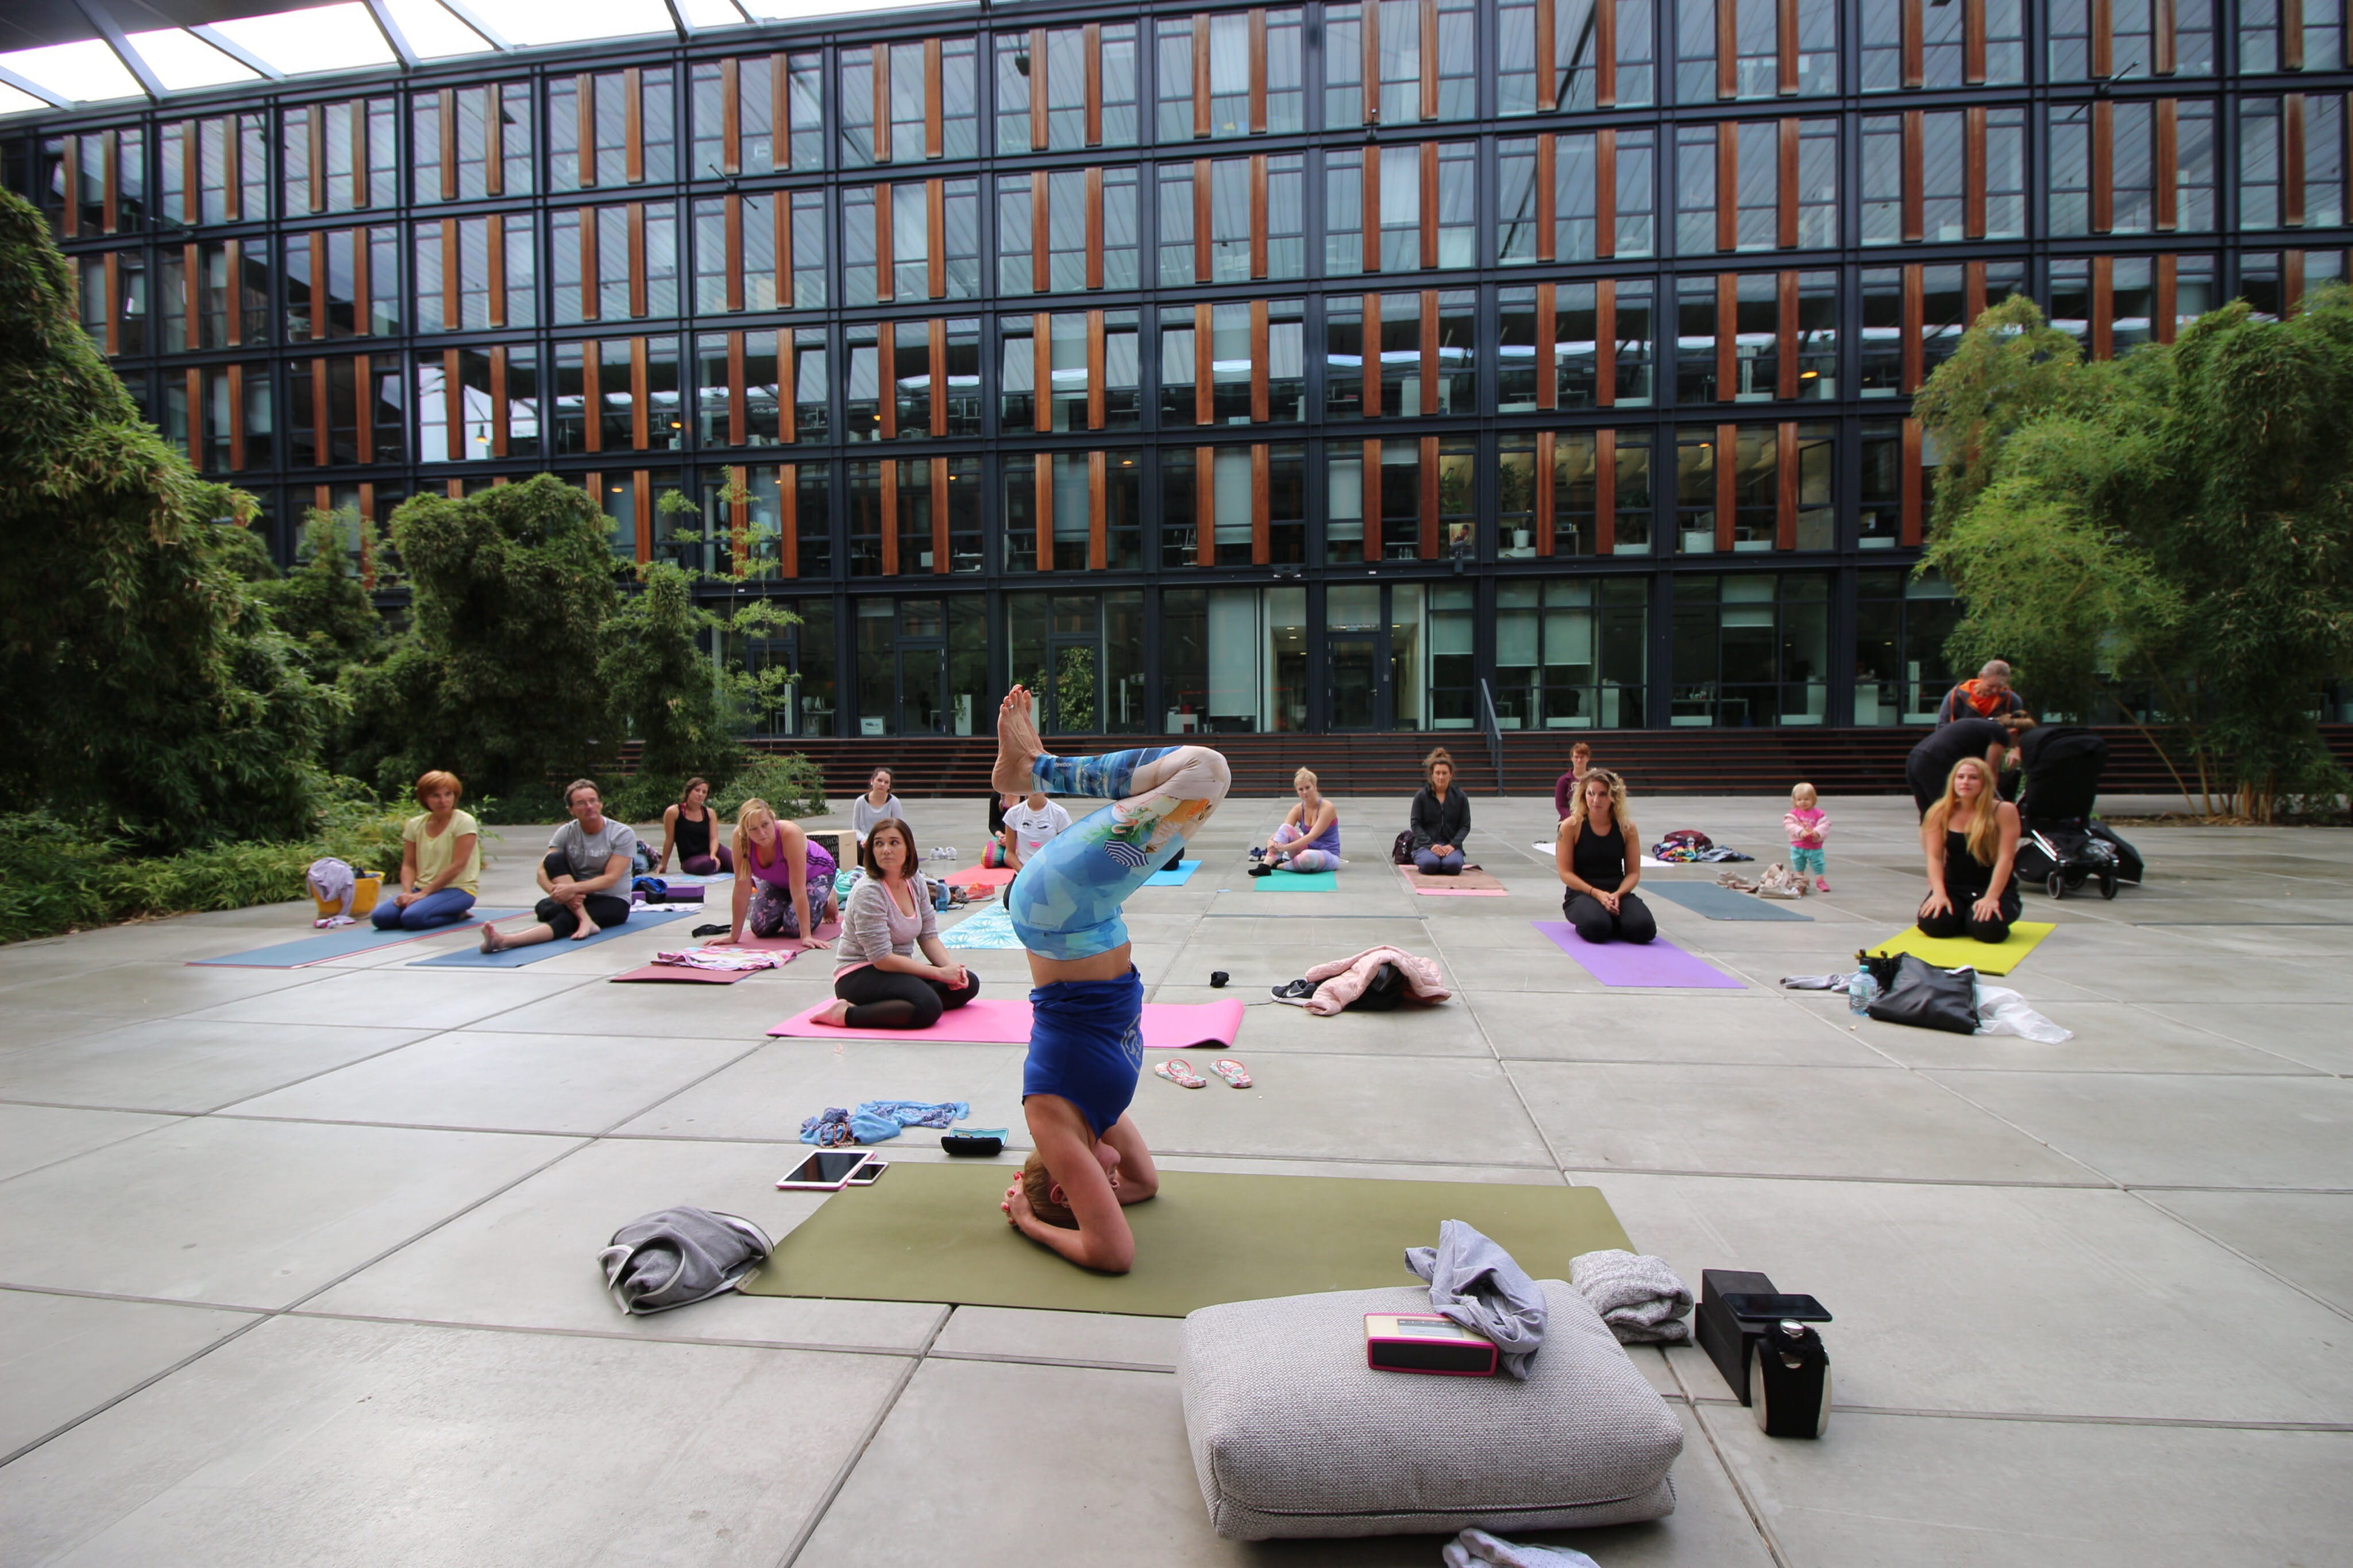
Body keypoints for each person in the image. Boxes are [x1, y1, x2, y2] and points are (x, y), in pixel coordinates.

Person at [992, 685, 1230, 1275]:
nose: (1113, 1176)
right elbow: (1144, 1186)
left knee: (1203, 773)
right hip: (1089, 911)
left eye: (1096, 1185)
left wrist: (1030, 1222)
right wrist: (1104, 1193)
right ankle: (1029, 766)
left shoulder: (1054, 1123)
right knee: (1186, 781)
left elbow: (1112, 1253)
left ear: (1064, 1191)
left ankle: (1029, 769)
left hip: (1060, 910)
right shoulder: (1096, 1115)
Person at [809, 818, 980, 1028]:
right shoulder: (868, 891)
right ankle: (846, 1015)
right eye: (879, 844)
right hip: (860, 973)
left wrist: (951, 969)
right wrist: (938, 973)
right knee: (928, 1007)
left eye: (894, 843)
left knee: (967, 984)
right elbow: (881, 959)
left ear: (908, 849)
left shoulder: (915, 880)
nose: (886, 850)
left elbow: (928, 937)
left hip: (897, 971)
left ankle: (903, 1003)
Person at [480, 780, 636, 952]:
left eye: (593, 801)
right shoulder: (566, 832)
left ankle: (505, 941)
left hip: (613, 901)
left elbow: (610, 879)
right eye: (581, 803)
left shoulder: (622, 833)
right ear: (571, 810)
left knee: (564, 917)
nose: (589, 807)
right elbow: (543, 871)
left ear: (601, 804)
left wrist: (570, 891)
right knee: (546, 898)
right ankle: (585, 919)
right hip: (579, 897)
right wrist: (559, 894)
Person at [1918, 756, 2022, 943]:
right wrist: (1939, 893)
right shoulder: (1940, 811)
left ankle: (1971, 919)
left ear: (1985, 782)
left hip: (1991, 887)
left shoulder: (2004, 811)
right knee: (1934, 924)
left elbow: (2006, 859)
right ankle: (1964, 916)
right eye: (1961, 777)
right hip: (1955, 887)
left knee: (1988, 931)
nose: (1966, 782)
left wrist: (1992, 897)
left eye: (1973, 777)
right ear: (1953, 781)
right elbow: (1934, 858)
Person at [1555, 769, 1656, 944]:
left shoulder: (1627, 828)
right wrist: (1597, 894)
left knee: (1644, 929)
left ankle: (1613, 916)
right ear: (1583, 794)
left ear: (1614, 797)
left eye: (1603, 795)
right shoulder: (1570, 826)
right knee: (1597, 928)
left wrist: (1617, 895)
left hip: (1617, 893)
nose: (1596, 800)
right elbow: (1565, 873)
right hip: (1582, 894)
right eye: (1591, 794)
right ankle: (1602, 918)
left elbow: (1633, 873)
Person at [373, 770, 481, 931]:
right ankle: (426, 907)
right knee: (381, 918)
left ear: (455, 796)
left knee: (412, 918)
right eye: (435, 796)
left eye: (448, 794)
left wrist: (424, 894)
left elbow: (459, 865)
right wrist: (408, 893)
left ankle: (458, 914)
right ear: (425, 798)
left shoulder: (464, 822)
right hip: (421, 888)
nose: (443, 800)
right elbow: (409, 864)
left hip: (458, 889)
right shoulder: (415, 824)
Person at [724, 799, 839, 946]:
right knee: (760, 927)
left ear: (773, 820)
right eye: (753, 829)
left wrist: (806, 936)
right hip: (779, 881)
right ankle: (790, 903)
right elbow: (742, 888)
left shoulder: (790, 833)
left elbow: (798, 887)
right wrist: (734, 936)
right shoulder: (740, 838)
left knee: (794, 926)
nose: (761, 833)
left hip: (816, 875)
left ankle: (827, 897)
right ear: (746, 831)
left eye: (765, 825)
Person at [1905, 713, 2026, 818]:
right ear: (2014, 733)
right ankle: (1954, 844)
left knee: (1929, 814)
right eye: (2017, 743)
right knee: (1950, 811)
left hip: (1916, 757)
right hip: (1937, 762)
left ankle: (1932, 845)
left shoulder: (1982, 725)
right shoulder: (2001, 734)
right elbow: (1990, 771)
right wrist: (1991, 799)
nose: (2013, 747)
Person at [1256, 767, 1340, 874]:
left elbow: (1312, 836)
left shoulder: (1327, 807)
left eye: (1308, 788)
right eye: (1301, 790)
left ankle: (1280, 866)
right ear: (1297, 791)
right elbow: (1283, 830)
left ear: (1315, 787)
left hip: (1328, 854)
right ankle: (1266, 865)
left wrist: (1284, 848)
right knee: (1286, 828)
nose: (1305, 792)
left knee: (1307, 857)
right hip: (1305, 849)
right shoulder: (1298, 809)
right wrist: (1270, 841)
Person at [1408, 749, 1471, 875]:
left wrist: (1453, 845)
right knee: (1430, 865)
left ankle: (1450, 859)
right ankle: (1428, 858)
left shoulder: (1460, 797)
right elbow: (1416, 825)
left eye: (1444, 773)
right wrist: (1431, 846)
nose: (1441, 777)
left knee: (1453, 866)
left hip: (1450, 846)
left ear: (1451, 775)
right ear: (1432, 775)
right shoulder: (1422, 796)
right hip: (1426, 845)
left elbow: (1465, 826)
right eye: (1437, 773)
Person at [655, 777, 731, 876]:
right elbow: (670, 840)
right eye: (697, 790)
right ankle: (716, 866)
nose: (700, 794)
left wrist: (713, 854)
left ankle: (719, 864)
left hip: (712, 850)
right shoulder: (674, 812)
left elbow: (714, 838)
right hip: (691, 857)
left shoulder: (710, 813)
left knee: (740, 864)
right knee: (707, 864)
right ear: (689, 791)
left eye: (704, 792)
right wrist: (663, 864)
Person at [985, 787, 1073, 870]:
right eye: (1030, 784)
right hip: (1023, 872)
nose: (1034, 788)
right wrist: (1024, 874)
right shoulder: (1013, 813)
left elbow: (1066, 850)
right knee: (989, 858)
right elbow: (1010, 853)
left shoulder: (1059, 813)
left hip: (1050, 872)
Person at [1938, 659, 2029, 725]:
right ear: (1981, 676)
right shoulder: (1957, 696)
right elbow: (1943, 726)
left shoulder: (2012, 699)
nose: (1995, 691)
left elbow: (2019, 730)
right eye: (1991, 686)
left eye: (2001, 687)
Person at [1784, 782, 1831, 894]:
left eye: (1806, 799)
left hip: (1814, 846)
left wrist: (1817, 832)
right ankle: (1799, 881)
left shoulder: (1818, 814)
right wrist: (1800, 832)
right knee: (1798, 863)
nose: (1803, 802)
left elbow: (1825, 824)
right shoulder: (1793, 814)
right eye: (1799, 800)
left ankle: (1820, 881)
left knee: (1818, 863)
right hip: (1798, 845)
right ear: (1794, 800)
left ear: (1813, 800)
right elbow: (1789, 825)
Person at [851, 768, 907, 843]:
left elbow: (899, 828)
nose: (882, 784)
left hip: (887, 841)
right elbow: (856, 829)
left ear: (889, 786)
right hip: (865, 841)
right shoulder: (860, 802)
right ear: (872, 781)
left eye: (886, 782)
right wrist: (863, 839)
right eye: (879, 780)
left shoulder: (894, 802)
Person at [1552, 741, 1595, 822]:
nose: (1579, 760)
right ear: (1572, 758)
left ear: (1588, 758)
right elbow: (1561, 806)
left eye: (1582, 757)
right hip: (1569, 820)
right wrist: (1574, 818)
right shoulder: (1563, 781)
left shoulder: (1594, 779)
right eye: (1576, 757)